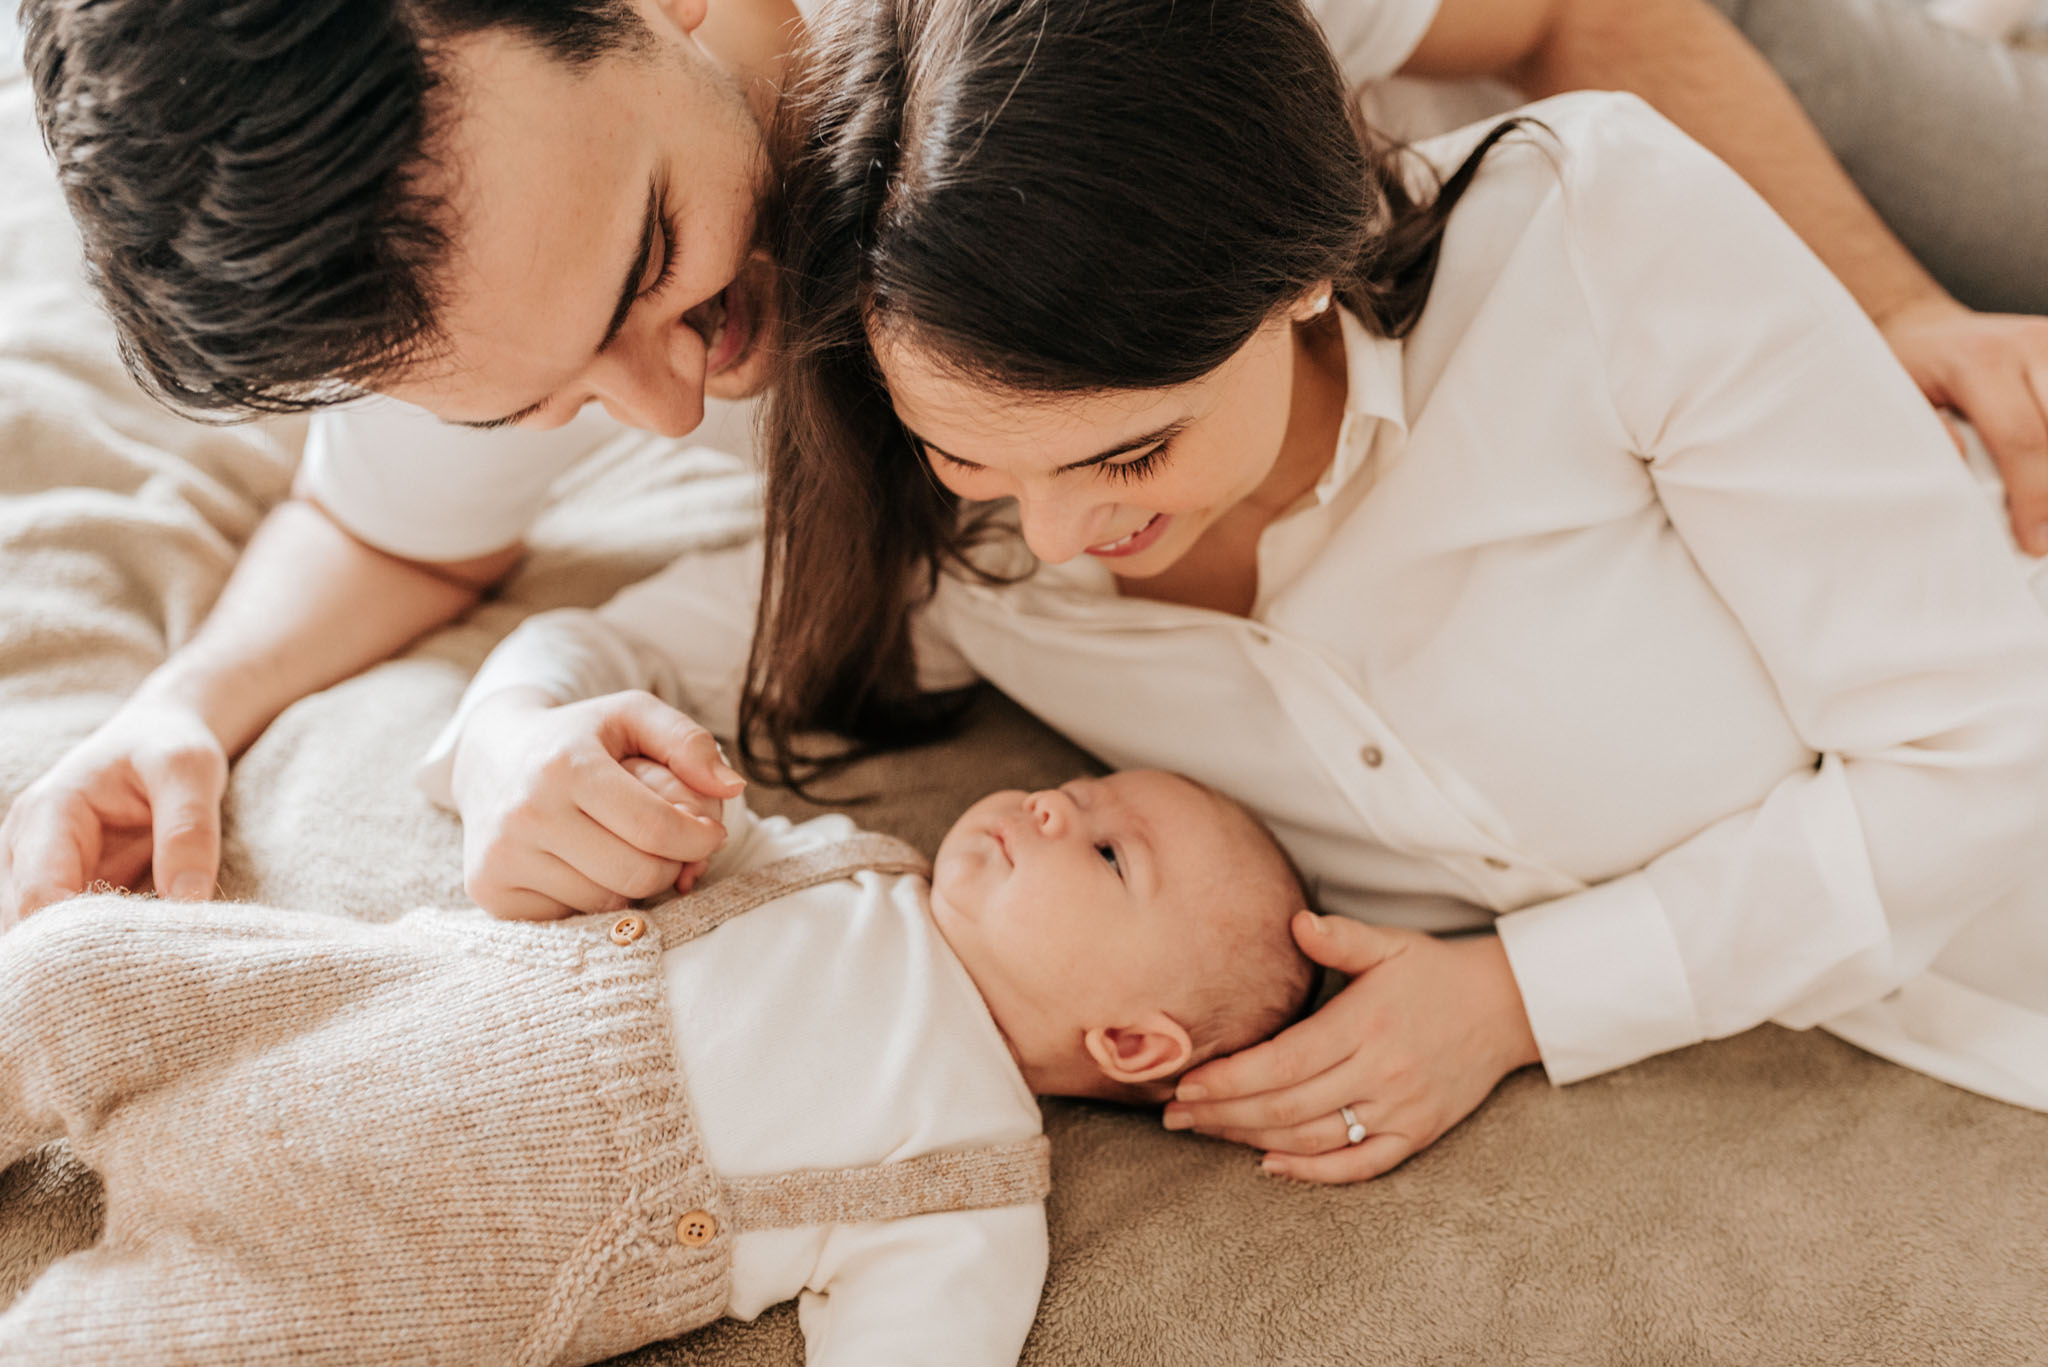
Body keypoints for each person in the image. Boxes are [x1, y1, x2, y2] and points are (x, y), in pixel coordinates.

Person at [7, 0, 2048, 924]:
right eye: (538, 406)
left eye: (651, 268)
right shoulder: (463, 265)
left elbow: (1576, 20)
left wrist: (1884, 314)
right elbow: (389, 535)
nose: (671, 410)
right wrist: (182, 707)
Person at [712, 0, 2046, 1182]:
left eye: (1132, 453)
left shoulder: (1591, 241)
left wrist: (1512, 1001)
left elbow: (1986, 751)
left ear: (1297, 271)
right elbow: (675, 639)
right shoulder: (945, 542)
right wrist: (574, 739)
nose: (1054, 538)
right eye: (967, 455)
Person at [0, 757, 1317, 1364]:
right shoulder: (850, 865)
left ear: (1130, 1042)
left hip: (417, 1258)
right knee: (78, 967)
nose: (1048, 808)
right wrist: (631, 784)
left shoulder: (970, 1186)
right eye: (1074, 792)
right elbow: (677, 825)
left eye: (1105, 850)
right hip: (364, 1009)